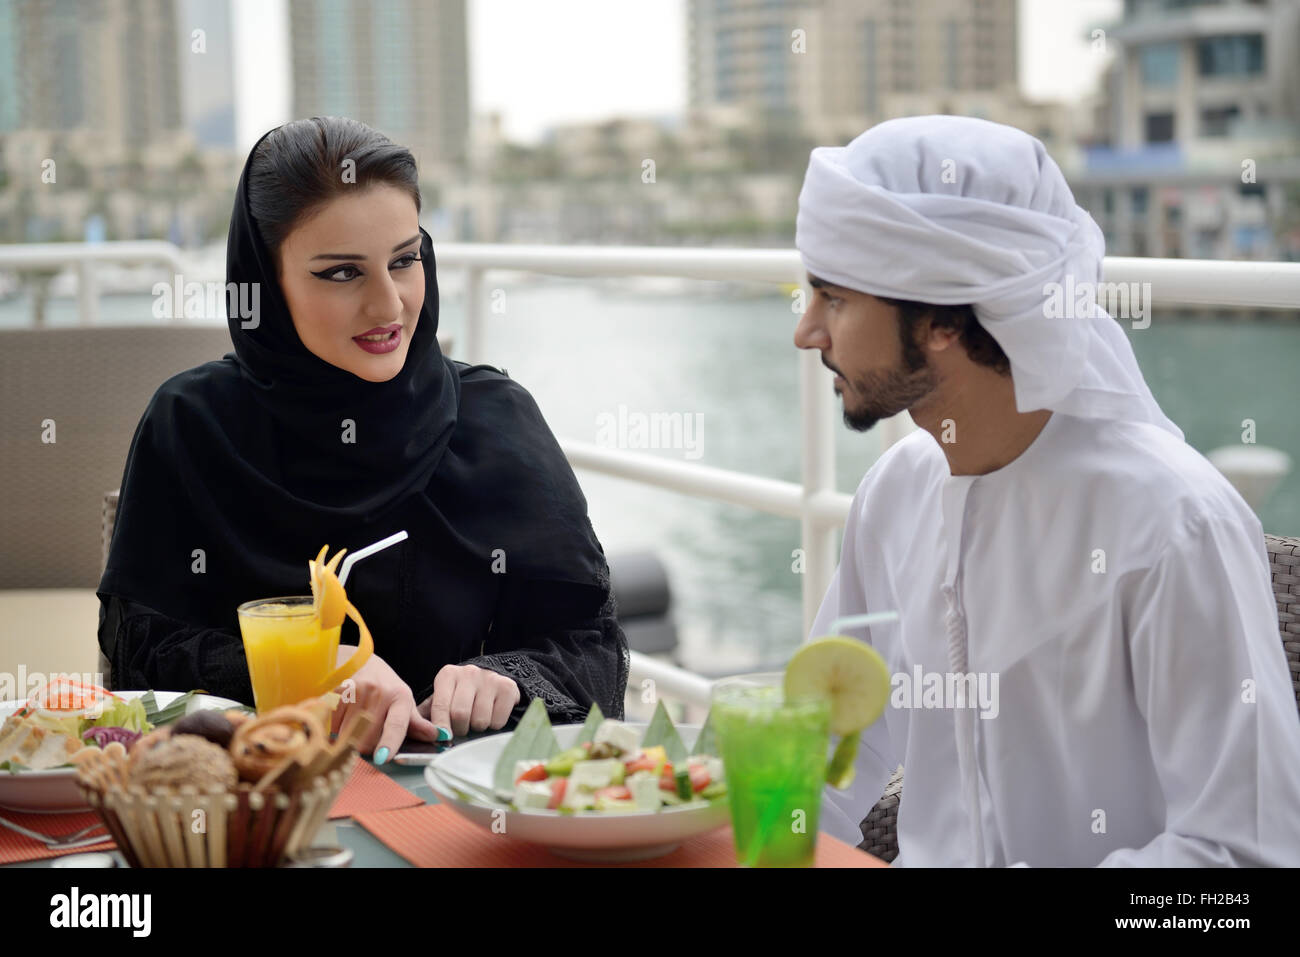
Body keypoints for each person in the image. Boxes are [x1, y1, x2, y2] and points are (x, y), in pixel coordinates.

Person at [794, 114, 1300, 866]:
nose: (807, 332)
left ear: (938, 318)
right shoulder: (894, 492)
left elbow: (1245, 858)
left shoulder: (1172, 525)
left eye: (833, 298)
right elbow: (829, 755)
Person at [98, 116, 629, 762]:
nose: (389, 305)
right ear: (267, 283)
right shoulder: (190, 425)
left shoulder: (498, 421)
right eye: (342, 273)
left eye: (405, 260)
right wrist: (313, 671)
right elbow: (136, 656)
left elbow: (591, 650)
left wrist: (508, 681)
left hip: (460, 813)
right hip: (252, 807)